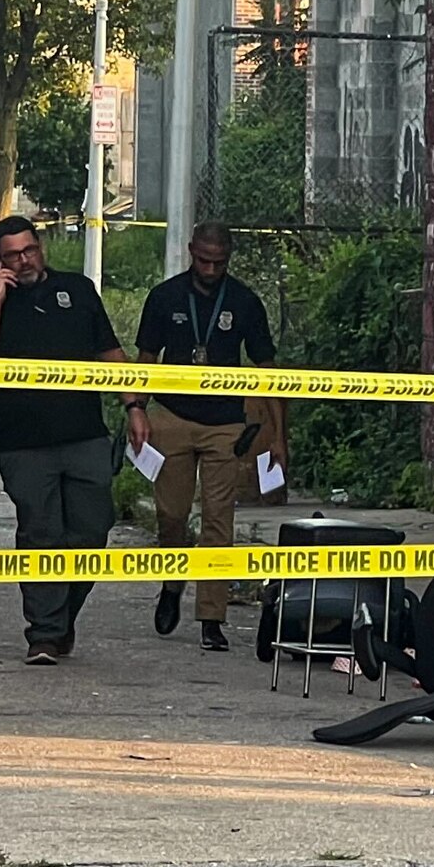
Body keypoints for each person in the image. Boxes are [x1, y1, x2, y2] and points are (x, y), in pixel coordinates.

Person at [0, 215, 126, 664]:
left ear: (41, 246)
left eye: (29, 250)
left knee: (91, 533)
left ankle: (62, 617)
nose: (24, 260)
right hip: (24, 445)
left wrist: (135, 405)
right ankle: (45, 635)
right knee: (41, 535)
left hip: (85, 437)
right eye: (12, 255)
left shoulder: (78, 291)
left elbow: (108, 352)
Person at [128, 222, 279, 652]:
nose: (210, 268)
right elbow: (145, 360)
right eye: (203, 259)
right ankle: (173, 582)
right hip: (172, 416)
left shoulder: (245, 301)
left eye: (219, 262)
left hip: (225, 423)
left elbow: (269, 369)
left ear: (229, 257)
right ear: (191, 251)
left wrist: (278, 435)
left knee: (219, 521)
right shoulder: (165, 297)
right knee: (171, 513)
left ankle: (212, 617)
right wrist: (135, 408)